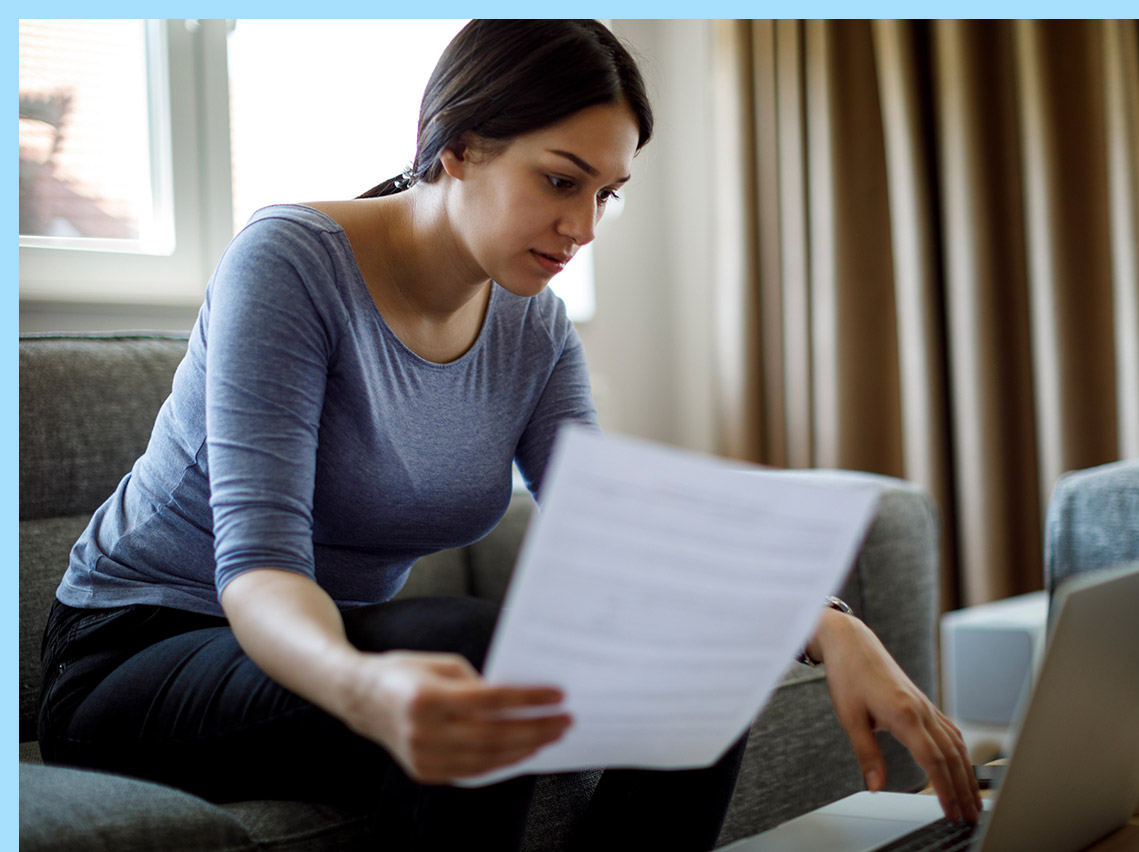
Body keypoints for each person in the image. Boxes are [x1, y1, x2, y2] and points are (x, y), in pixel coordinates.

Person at [38, 18, 980, 851]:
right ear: (456, 146)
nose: (582, 227)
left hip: (327, 639)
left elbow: (611, 533)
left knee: (694, 670)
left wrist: (822, 622)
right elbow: (261, 572)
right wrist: (373, 692)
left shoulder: (532, 324)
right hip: (142, 653)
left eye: (606, 194)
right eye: (560, 181)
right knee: (473, 652)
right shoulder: (289, 264)